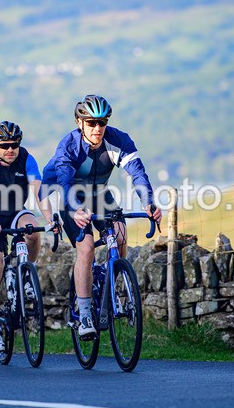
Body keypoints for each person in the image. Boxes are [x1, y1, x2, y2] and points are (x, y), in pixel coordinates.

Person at [41, 94, 162, 339]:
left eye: (102, 122)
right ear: (79, 122)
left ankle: (111, 280)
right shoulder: (69, 146)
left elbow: (137, 174)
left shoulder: (118, 140)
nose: (98, 128)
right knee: (85, 248)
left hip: (99, 193)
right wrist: (74, 210)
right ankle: (84, 313)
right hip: (70, 193)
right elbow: (63, 183)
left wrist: (148, 202)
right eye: (91, 123)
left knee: (120, 235)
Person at [0, 121, 58, 353]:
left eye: (15, 145)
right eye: (5, 146)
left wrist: (51, 219)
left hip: (15, 211)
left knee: (32, 229)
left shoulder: (26, 158)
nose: (11, 149)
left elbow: (39, 191)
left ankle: (25, 274)